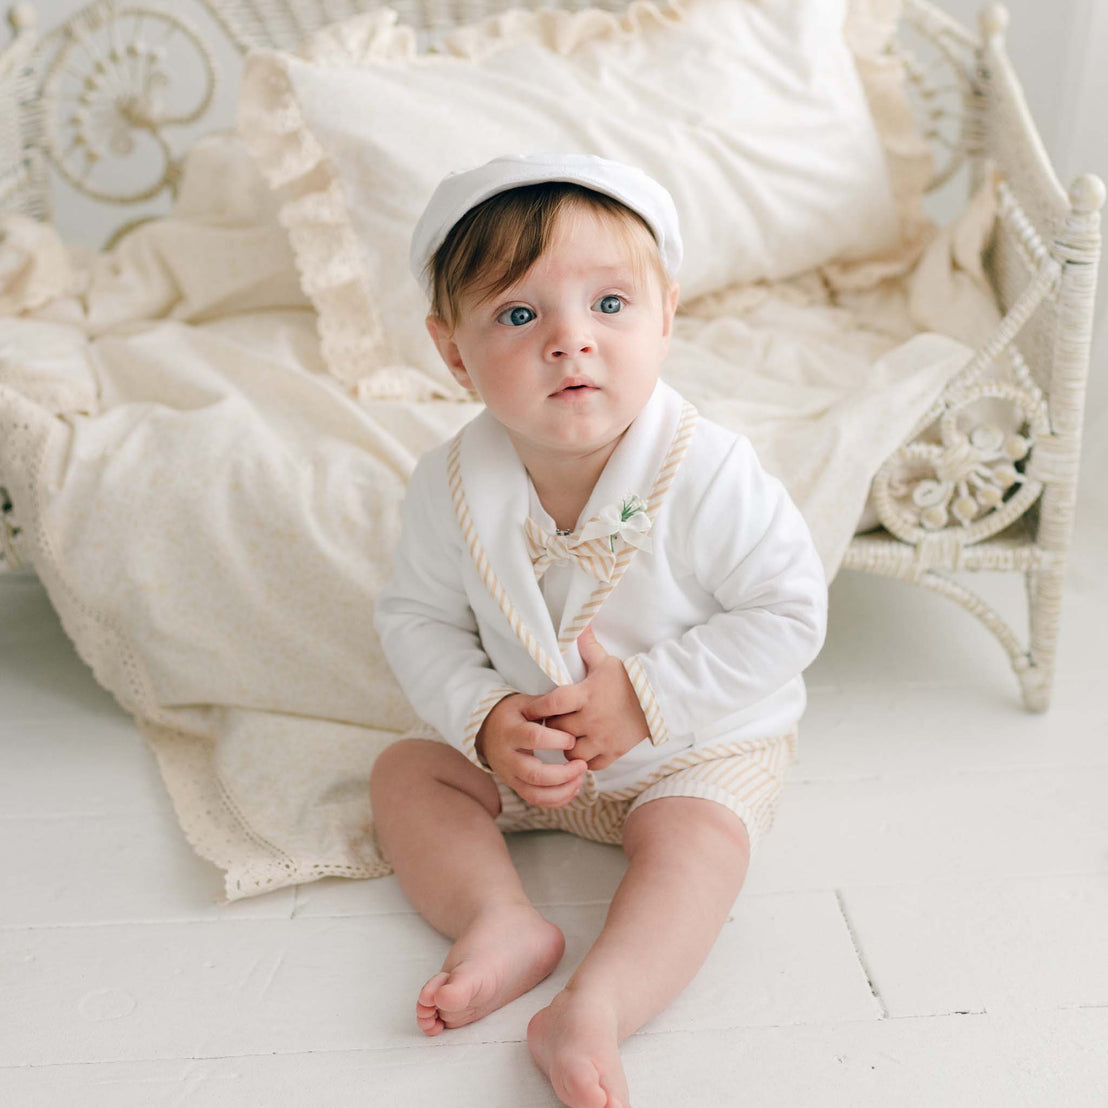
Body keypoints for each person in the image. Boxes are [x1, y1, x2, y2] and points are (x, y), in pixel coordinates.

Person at [372, 152, 827, 1108]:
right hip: (532, 749)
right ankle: (500, 921)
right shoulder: (449, 485)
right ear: (452, 351)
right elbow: (417, 618)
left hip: (693, 748)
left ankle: (595, 1006)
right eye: (520, 314)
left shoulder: (707, 472)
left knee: (700, 846)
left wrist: (648, 696)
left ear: (667, 313)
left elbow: (789, 610)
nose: (570, 342)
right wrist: (487, 717)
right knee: (406, 775)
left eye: (609, 306)